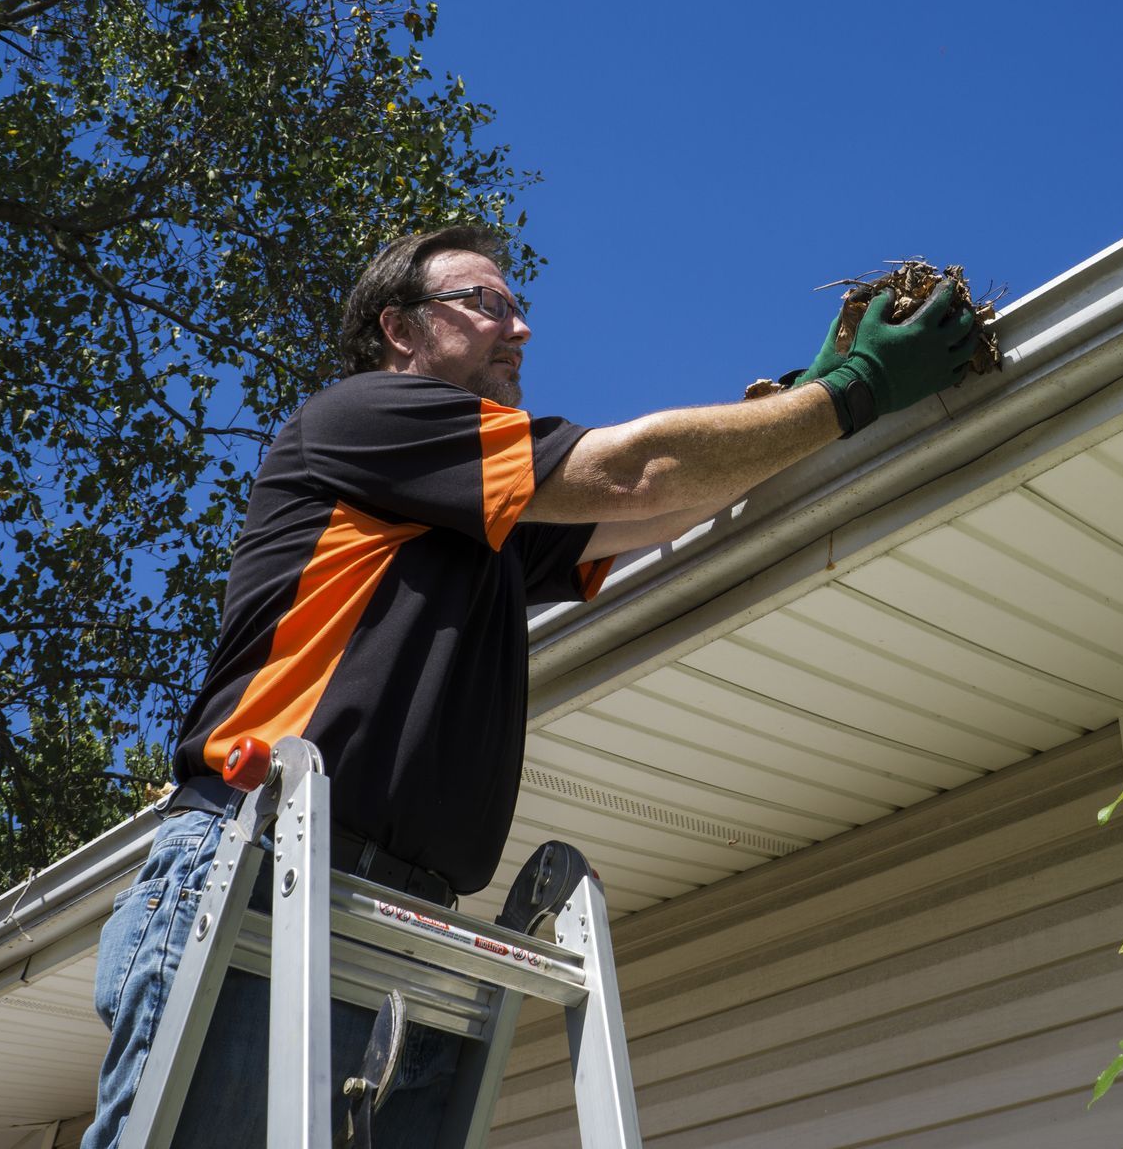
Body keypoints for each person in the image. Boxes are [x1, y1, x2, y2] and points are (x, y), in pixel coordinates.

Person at [83, 225, 979, 1149]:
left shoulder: (486, 520)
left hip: (391, 919)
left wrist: (801, 403)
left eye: (520, 308)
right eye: (486, 305)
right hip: (256, 871)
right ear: (400, 329)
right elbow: (632, 471)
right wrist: (852, 393)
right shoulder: (364, 418)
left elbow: (663, 507)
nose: (518, 329)